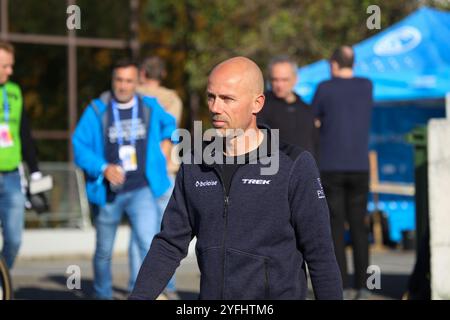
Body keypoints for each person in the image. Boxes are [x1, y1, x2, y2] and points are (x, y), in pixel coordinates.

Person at [130, 56, 342, 300]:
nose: (215, 108)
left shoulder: (294, 165)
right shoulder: (195, 164)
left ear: (257, 103)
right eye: (211, 97)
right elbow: (169, 244)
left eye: (227, 99)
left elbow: (320, 255)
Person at [72, 58, 176, 299]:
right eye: (119, 79)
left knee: (150, 246)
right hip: (109, 192)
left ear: (136, 81)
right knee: (104, 252)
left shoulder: (149, 106)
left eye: (129, 80)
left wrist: (167, 143)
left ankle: (150, 294)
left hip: (141, 189)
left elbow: (170, 125)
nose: (123, 85)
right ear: (113, 80)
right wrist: (102, 167)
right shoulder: (98, 109)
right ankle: (102, 295)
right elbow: (79, 146)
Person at [312, 46, 373, 299]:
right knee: (359, 227)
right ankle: (364, 286)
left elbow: (314, 120)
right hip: (359, 165)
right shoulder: (367, 86)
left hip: (331, 165)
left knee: (335, 227)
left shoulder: (325, 88)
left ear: (334, 64)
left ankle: (342, 286)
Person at [125, 56, 183, 299]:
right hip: (166, 173)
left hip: (139, 172)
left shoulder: (132, 94)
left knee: (139, 232)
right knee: (169, 233)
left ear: (142, 73)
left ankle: (136, 285)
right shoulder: (172, 98)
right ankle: (166, 287)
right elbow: (170, 135)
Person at [0, 41, 43, 269]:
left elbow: (24, 134)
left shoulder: (14, 92)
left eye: (10, 65)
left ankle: (1, 285)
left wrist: (34, 171)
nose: (10, 71)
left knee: (14, 240)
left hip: (12, 178)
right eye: (5, 66)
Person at [258, 55, 317, 158]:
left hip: (304, 170)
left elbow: (314, 144)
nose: (279, 85)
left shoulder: (306, 109)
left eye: (284, 80)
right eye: (275, 80)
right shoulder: (260, 106)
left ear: (295, 79)